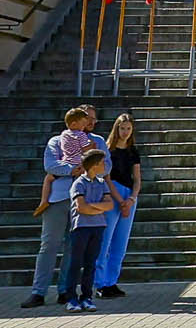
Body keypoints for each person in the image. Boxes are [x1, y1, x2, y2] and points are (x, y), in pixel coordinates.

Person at [24, 105, 104, 308]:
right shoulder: (57, 140)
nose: (90, 123)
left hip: (84, 199)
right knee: (49, 244)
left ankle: (65, 290)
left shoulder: (96, 142)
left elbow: (105, 166)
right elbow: (50, 165)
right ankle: (38, 291)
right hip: (59, 198)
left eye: (92, 120)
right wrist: (74, 169)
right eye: (86, 119)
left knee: (73, 247)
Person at [62, 148, 124, 311]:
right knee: (76, 263)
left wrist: (94, 206)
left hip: (98, 227)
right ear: (94, 164)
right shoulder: (79, 183)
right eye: (102, 162)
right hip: (81, 227)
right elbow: (81, 208)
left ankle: (86, 296)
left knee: (91, 264)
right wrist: (98, 207)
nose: (104, 165)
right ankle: (71, 298)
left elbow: (109, 205)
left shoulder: (102, 183)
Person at [93, 113, 144, 298]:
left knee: (120, 243)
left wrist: (131, 199)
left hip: (129, 195)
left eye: (129, 129)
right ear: (117, 129)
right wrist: (119, 199)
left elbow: (137, 178)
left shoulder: (133, 151)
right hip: (112, 194)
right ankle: (100, 283)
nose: (125, 132)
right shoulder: (108, 150)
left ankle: (112, 281)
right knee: (105, 240)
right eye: (122, 128)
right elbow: (106, 177)